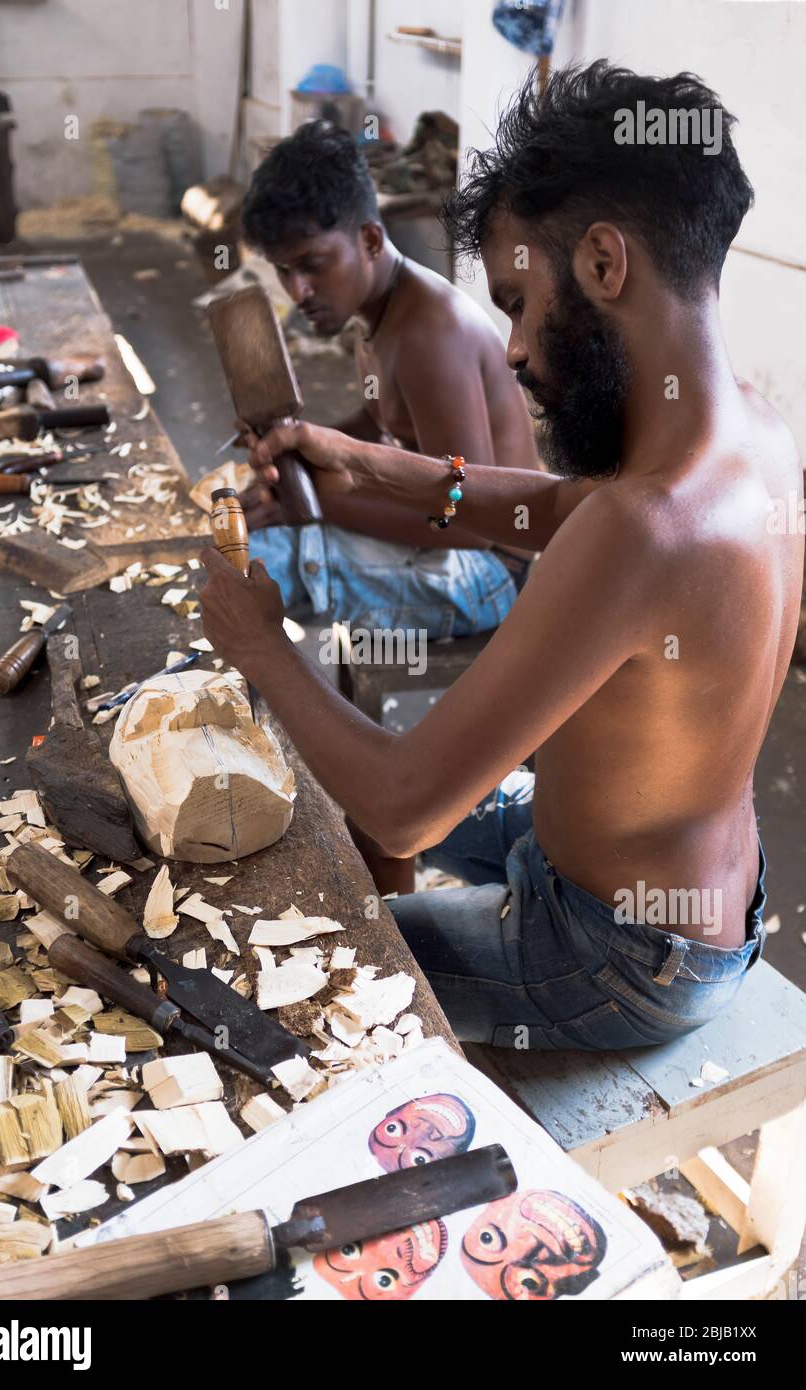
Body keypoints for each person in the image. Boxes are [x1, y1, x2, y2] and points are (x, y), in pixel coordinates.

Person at [200, 63, 802, 1051]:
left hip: (612, 955)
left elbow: (402, 808)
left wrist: (260, 644)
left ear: (604, 265)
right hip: (692, 901)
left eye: (519, 302)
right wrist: (362, 458)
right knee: (375, 815)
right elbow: (551, 508)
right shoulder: (755, 439)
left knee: (298, 963)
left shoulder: (640, 530)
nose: (513, 347)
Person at [238, 120, 538, 639]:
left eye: (312, 264)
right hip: (454, 540)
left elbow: (467, 519)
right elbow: (380, 421)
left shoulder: (428, 334)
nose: (298, 290)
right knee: (240, 527)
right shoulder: (376, 310)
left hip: (491, 573)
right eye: (284, 271)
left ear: (371, 239)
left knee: (251, 562)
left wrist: (314, 504)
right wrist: (294, 454)